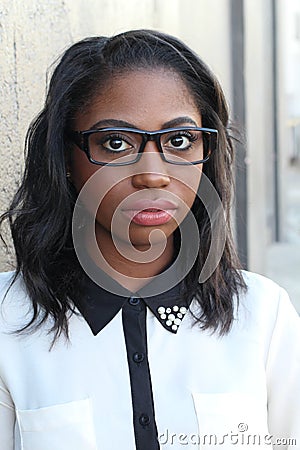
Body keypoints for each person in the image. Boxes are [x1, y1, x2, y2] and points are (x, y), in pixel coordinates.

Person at [0, 29, 299, 450]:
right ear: (64, 158)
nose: (153, 174)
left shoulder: (264, 317)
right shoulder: (7, 323)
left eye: (179, 141)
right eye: (116, 143)